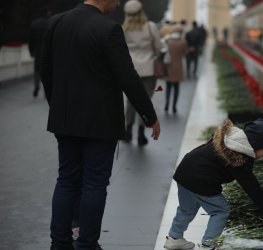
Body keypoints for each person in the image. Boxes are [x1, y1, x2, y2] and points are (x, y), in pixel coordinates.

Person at [40, 0, 161, 249]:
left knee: (66, 180)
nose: (117, 4)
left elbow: (46, 71)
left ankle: (59, 242)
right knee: (95, 183)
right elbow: (127, 76)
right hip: (100, 122)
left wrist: (58, 107)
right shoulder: (108, 29)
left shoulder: (56, 23)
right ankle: (86, 244)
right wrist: (150, 115)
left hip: (65, 119)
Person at [164, 119, 263, 249]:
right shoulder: (240, 157)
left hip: (185, 170)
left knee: (186, 209)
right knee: (220, 210)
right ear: (254, 145)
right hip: (201, 178)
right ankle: (209, 244)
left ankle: (174, 238)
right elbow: (252, 188)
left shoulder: (230, 138)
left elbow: (204, 150)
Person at [122, 0, 163, 146]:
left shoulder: (123, 28)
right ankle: (141, 133)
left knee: (131, 101)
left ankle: (127, 131)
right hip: (149, 68)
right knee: (145, 100)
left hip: (131, 69)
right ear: (141, 11)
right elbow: (158, 46)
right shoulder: (150, 27)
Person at [164, 26, 188, 113]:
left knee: (168, 86)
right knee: (176, 87)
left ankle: (167, 103)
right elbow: (185, 53)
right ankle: (174, 106)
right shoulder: (183, 42)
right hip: (178, 67)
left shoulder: (168, 41)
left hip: (168, 66)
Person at [29, 7, 51, 97]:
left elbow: (31, 40)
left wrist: (31, 51)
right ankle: (46, 91)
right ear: (47, 13)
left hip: (37, 52)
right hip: (48, 52)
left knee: (37, 70)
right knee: (48, 71)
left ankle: (36, 86)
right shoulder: (50, 23)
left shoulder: (34, 24)